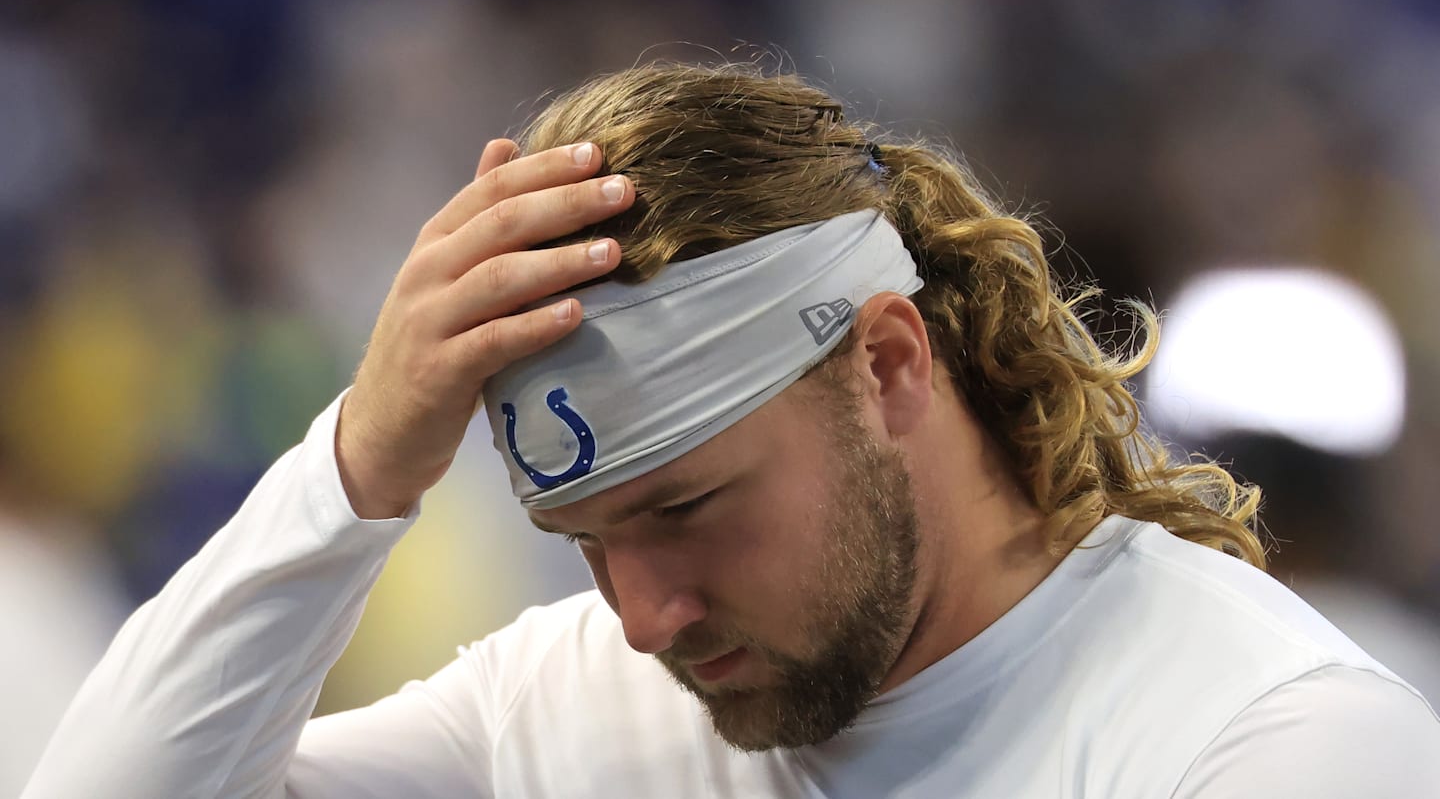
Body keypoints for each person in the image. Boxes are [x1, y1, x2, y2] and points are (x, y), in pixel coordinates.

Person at [23, 62, 1440, 798]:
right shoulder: (563, 704)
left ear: (887, 365)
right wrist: (357, 468)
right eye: (583, 538)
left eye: (684, 507)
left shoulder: (1273, 742)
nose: (643, 615)